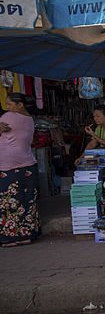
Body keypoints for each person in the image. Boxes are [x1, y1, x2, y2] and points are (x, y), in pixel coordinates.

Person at [0, 92, 40, 247]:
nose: (7, 107)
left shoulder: (9, 117)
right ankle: (27, 235)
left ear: (19, 105)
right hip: (27, 165)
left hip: (9, 167)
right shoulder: (29, 119)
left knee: (9, 203)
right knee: (27, 201)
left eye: (9, 104)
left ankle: (12, 238)